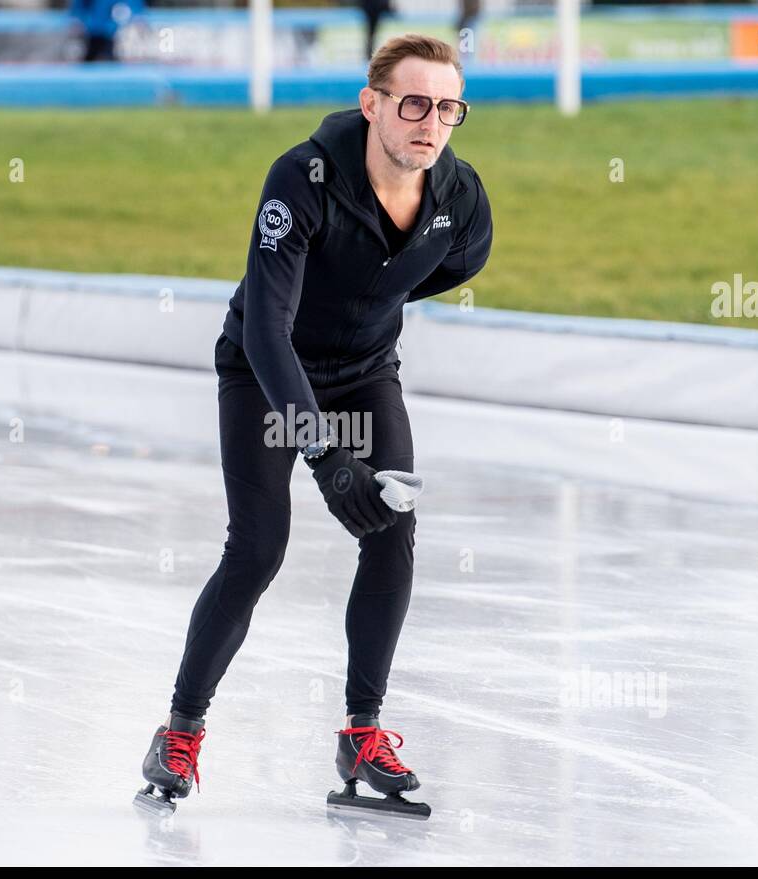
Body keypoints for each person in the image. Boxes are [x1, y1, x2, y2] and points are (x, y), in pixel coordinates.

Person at [136, 34, 494, 815]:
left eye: (447, 108)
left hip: (364, 375)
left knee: (392, 529)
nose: (430, 123)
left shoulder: (459, 199)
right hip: (267, 375)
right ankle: (180, 730)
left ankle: (362, 736)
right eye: (412, 103)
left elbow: (461, 264)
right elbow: (267, 327)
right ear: (372, 105)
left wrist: (370, 303)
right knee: (259, 548)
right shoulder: (301, 179)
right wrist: (326, 455)